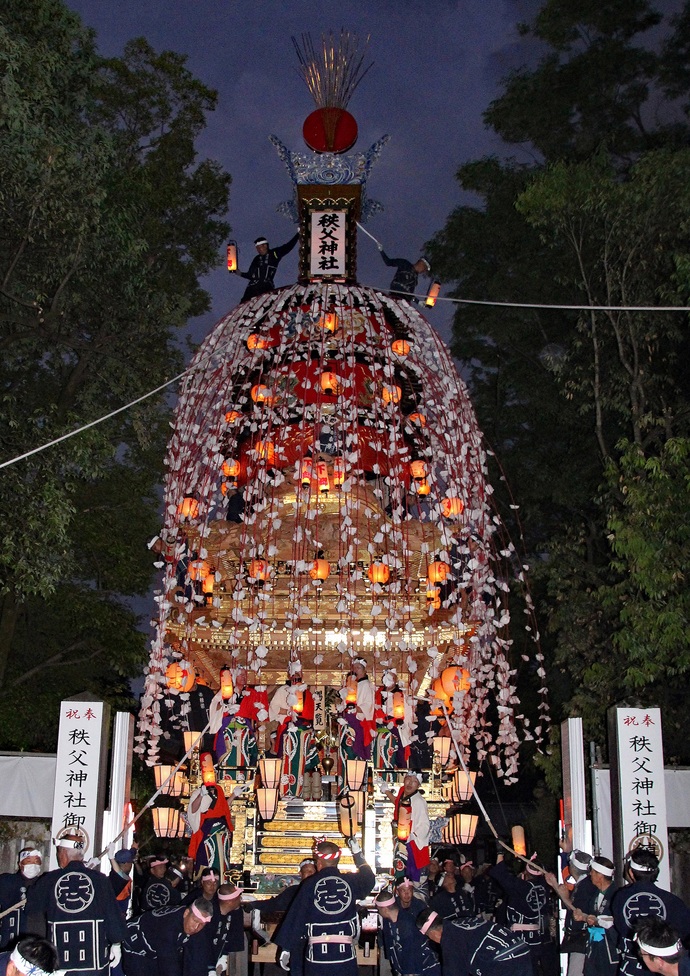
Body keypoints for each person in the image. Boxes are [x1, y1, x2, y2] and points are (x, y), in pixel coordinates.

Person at [26, 830, 127, 976]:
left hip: (60, 962)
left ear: (63, 853)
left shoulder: (49, 880)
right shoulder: (99, 879)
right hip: (94, 962)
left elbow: (31, 908)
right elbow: (112, 916)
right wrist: (117, 942)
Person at [275, 837, 375, 976]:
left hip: (318, 955)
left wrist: (286, 947)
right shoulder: (351, 882)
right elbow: (369, 878)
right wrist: (357, 854)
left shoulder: (309, 885)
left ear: (319, 863)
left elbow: (297, 916)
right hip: (345, 955)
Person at [611, 850, 690, 976]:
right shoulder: (673, 901)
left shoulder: (620, 897)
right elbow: (685, 933)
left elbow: (619, 927)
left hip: (630, 968)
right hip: (663, 968)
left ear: (631, 872)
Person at [489, 852, 559, 976]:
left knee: (523, 970)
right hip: (539, 937)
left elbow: (500, 873)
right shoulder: (544, 886)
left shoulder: (520, 887)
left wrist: (500, 852)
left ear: (525, 872)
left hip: (521, 938)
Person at [416, 908, 533, 975]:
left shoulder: (449, 939)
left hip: (505, 961)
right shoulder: (458, 922)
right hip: (521, 949)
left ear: (433, 934)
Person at [121, 899, 213, 976]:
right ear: (186, 913)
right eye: (195, 921)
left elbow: (197, 959)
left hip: (155, 949)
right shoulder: (168, 925)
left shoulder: (196, 925)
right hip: (135, 944)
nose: (196, 927)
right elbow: (169, 965)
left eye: (201, 924)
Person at [376, 889, 441, 976]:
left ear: (384, 909)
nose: (379, 912)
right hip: (407, 968)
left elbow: (411, 954)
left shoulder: (407, 924)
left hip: (423, 968)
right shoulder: (389, 922)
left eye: (379, 909)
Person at [381, 773, 431, 885]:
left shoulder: (419, 801)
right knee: (399, 868)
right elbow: (397, 802)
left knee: (410, 875)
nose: (410, 783)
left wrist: (413, 835)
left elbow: (425, 825)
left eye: (414, 781)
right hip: (399, 837)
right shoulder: (403, 791)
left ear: (418, 785)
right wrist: (387, 792)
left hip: (411, 842)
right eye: (408, 779)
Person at [233, 234, 299, 302]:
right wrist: (240, 273)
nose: (258, 250)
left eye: (259, 247)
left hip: (266, 286)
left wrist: (297, 236)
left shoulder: (273, 254)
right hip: (252, 288)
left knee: (266, 304)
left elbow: (287, 247)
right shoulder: (257, 259)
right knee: (244, 304)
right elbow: (250, 275)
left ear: (265, 246)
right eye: (257, 248)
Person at [0, 849, 44, 949]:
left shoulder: (44, 884)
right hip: (10, 940)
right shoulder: (6, 881)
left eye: (36, 861)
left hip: (36, 942)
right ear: (20, 864)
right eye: (28, 861)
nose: (33, 865)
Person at [338, 658, 375, 762]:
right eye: (354, 668)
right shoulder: (352, 683)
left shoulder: (367, 685)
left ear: (364, 670)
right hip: (348, 719)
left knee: (356, 746)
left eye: (358, 668)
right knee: (346, 745)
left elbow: (368, 705)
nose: (356, 670)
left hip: (359, 720)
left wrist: (356, 707)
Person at [108, 846, 137, 920]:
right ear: (126, 864)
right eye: (131, 863)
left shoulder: (122, 876)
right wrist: (111, 858)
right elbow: (119, 873)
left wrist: (134, 846)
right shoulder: (116, 879)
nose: (131, 865)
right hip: (115, 919)